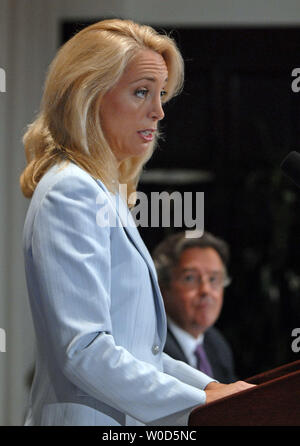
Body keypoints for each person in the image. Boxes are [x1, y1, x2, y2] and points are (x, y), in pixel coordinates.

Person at [20, 19, 253, 427]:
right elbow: (85, 350)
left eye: (160, 95)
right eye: (141, 92)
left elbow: (139, 350)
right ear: (87, 97)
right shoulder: (70, 191)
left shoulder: (103, 191)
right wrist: (202, 403)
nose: (159, 111)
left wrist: (214, 391)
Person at [153, 231, 237, 383]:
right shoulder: (152, 345)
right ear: (162, 287)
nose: (206, 290)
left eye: (213, 279)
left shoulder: (216, 344)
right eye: (190, 278)